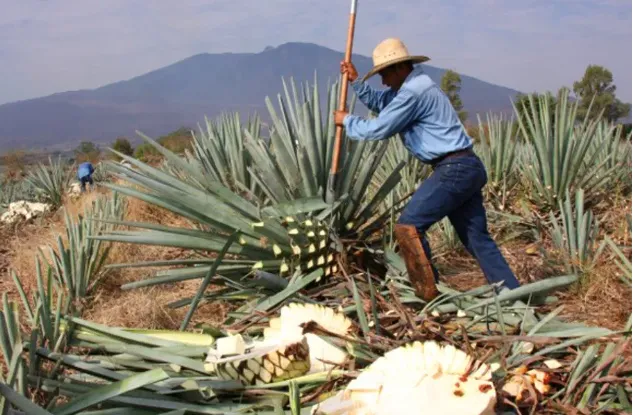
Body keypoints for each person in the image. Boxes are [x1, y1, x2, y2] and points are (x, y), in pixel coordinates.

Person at [333, 38, 520, 301]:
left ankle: (429, 296)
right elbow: (382, 103)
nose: (383, 80)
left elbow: (379, 128)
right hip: (467, 166)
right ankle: (514, 295)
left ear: (399, 68)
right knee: (477, 239)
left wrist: (347, 121)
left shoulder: (413, 92)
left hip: (454, 168)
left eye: (384, 73)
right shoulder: (409, 87)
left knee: (408, 227)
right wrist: (356, 83)